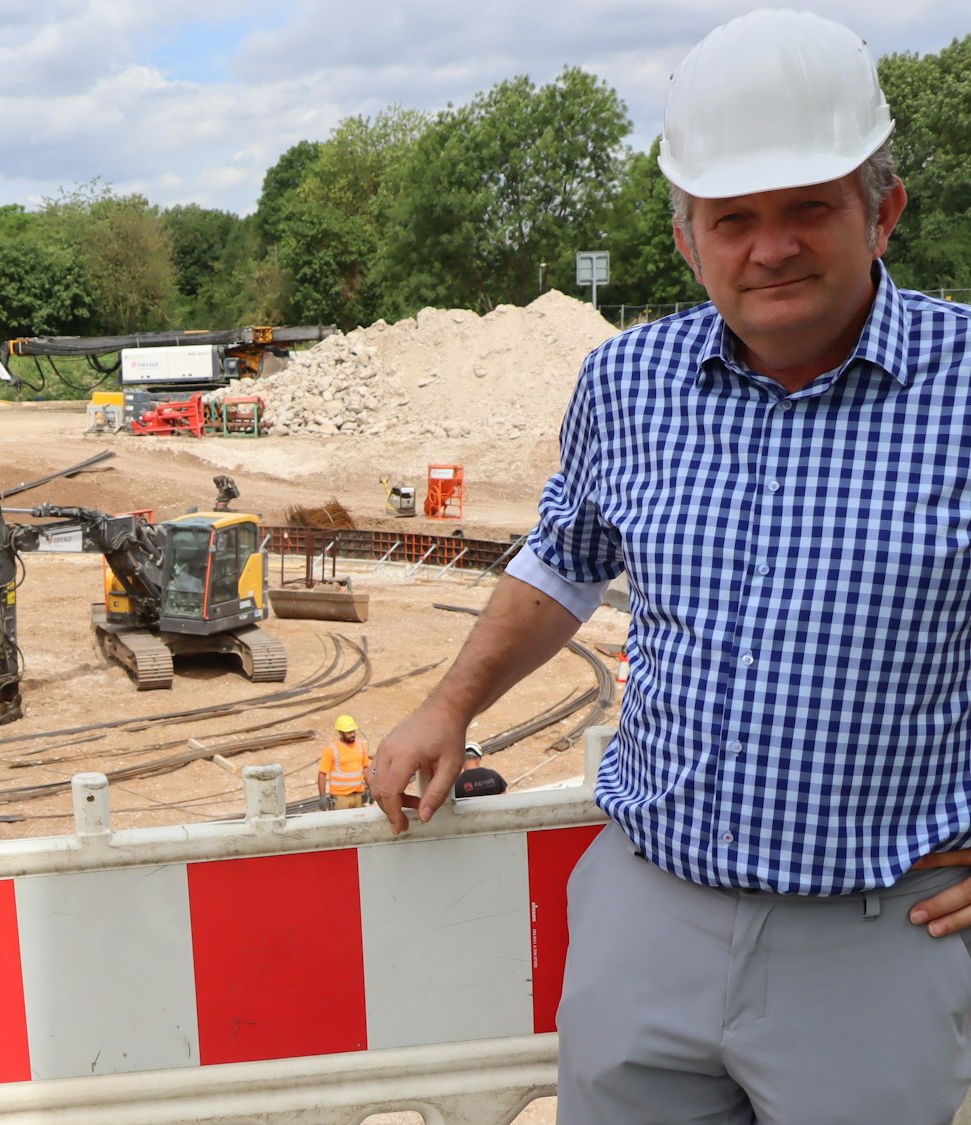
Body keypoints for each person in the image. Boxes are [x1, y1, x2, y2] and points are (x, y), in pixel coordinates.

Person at [370, 10, 971, 1122]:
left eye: (808, 209)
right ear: (686, 238)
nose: (770, 246)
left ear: (879, 213)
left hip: (876, 935)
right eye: (729, 218)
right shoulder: (626, 382)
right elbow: (563, 558)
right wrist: (447, 707)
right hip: (650, 914)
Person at [316, 715, 370, 810]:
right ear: (340, 733)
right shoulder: (331, 749)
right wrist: (322, 797)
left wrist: (371, 788)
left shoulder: (360, 746)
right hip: (341, 798)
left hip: (358, 796)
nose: (352, 735)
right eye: (349, 733)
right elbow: (322, 774)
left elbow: (367, 768)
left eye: (353, 731)